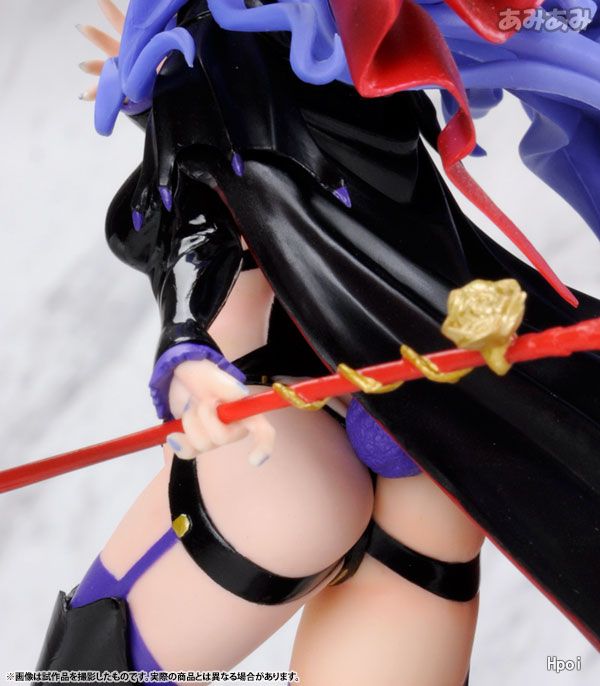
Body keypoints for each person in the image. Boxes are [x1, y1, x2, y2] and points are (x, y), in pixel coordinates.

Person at [36, 1, 600, 684]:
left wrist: (190, 354)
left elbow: (200, 220)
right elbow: (196, 230)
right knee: (354, 518)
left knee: (317, 510)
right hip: (378, 407)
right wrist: (187, 358)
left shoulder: (298, 44)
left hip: (356, 403)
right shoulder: (254, 43)